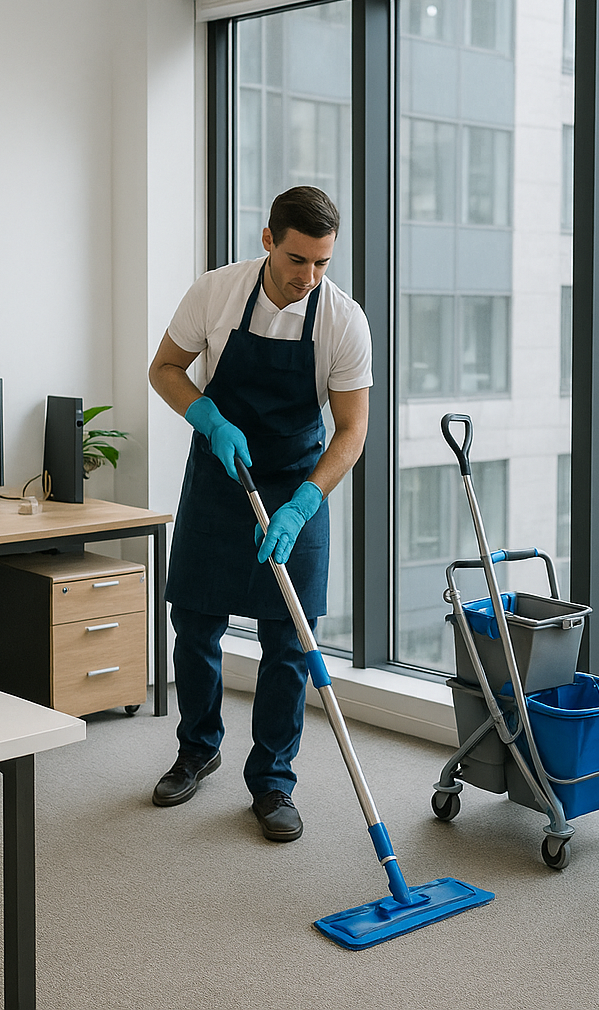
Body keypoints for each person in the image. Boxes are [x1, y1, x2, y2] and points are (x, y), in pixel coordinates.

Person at [147, 186, 372, 842]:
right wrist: (205, 416)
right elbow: (165, 369)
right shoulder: (216, 293)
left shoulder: (341, 320)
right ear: (269, 240)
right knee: (195, 622)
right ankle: (198, 748)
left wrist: (304, 504)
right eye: (298, 259)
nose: (309, 277)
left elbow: (352, 430)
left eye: (323, 263)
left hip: (300, 480)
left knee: (287, 641)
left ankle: (273, 779)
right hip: (222, 474)